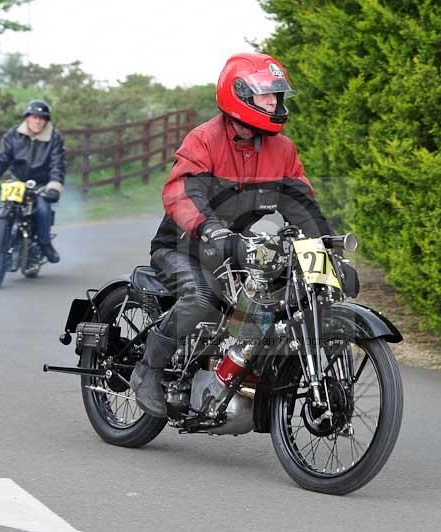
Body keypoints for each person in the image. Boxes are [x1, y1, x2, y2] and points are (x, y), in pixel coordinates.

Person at [132, 52, 348, 417]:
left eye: (277, 96)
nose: (275, 103)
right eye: (266, 96)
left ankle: (243, 372)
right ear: (240, 96)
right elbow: (182, 192)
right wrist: (211, 228)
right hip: (185, 247)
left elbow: (303, 206)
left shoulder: (282, 150)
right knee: (202, 298)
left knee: (289, 297)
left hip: (237, 250)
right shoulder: (203, 140)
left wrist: (325, 253)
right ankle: (147, 369)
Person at [0, 99, 65, 263]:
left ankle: (45, 244)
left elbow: (57, 164)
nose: (37, 121)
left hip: (41, 185)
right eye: (34, 117)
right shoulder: (13, 134)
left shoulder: (54, 138)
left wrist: (54, 187)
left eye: (42, 118)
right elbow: (0, 158)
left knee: (43, 210)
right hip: (17, 182)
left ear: (46, 121)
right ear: (27, 117)